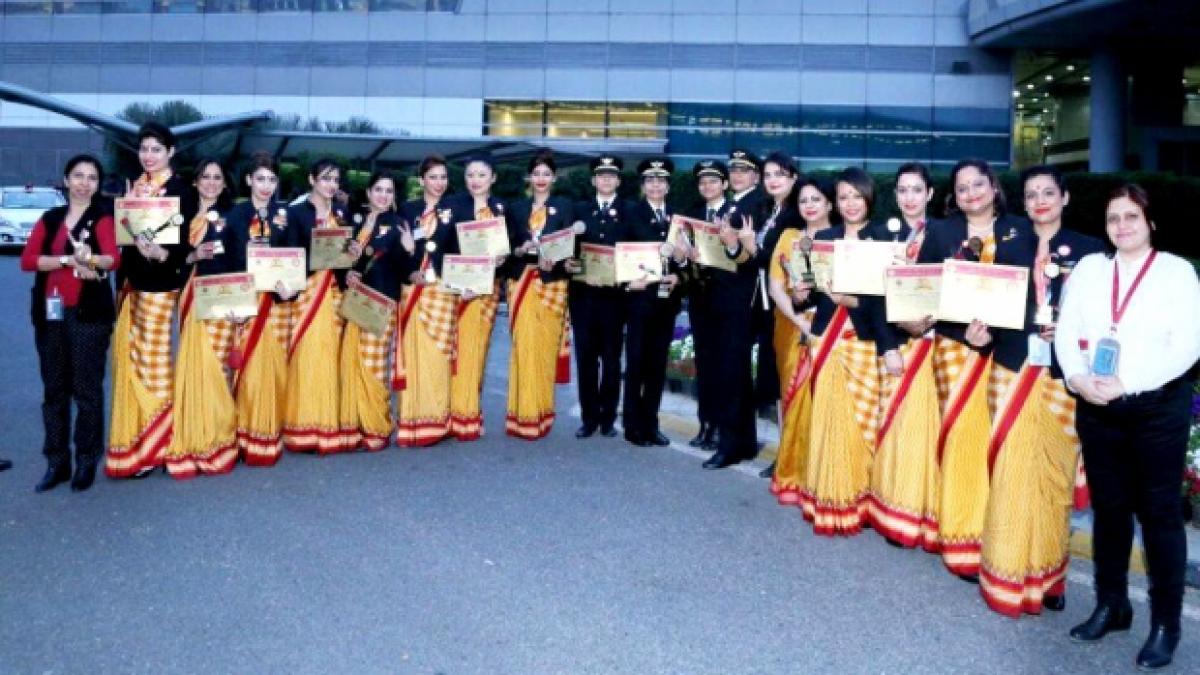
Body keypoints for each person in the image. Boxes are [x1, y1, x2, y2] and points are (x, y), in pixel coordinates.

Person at [1056, 184, 1200, 670]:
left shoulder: (1177, 272)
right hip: (1097, 404)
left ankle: (1166, 624)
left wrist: (1128, 382)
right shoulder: (1092, 269)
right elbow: (1065, 327)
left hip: (1157, 408)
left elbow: (1188, 344)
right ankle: (1112, 603)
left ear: (1151, 222)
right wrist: (1077, 377)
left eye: (1131, 217)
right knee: (1110, 512)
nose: (1121, 226)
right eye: (1114, 218)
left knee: (1159, 515)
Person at [978, 165, 1106, 617]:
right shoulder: (1006, 246)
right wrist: (978, 330)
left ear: (1064, 198)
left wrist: (1071, 332)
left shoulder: (1091, 253)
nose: (1039, 201)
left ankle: (1050, 577)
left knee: (1053, 479)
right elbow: (986, 305)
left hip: (1061, 376)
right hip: (1012, 365)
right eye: (1031, 194)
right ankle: (1006, 573)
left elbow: (1102, 316)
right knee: (1011, 474)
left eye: (1048, 192)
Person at [917, 158, 1036, 578]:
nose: (971, 194)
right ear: (955, 195)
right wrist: (915, 318)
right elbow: (923, 288)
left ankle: (998, 537)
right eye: (962, 188)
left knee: (999, 444)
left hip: (1006, 353)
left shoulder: (1021, 231)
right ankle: (960, 536)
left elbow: (1032, 293)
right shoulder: (942, 232)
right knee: (962, 441)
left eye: (978, 185)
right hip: (954, 348)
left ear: (993, 186)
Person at [798, 168, 897, 536]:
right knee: (828, 419)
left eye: (857, 196)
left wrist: (849, 300)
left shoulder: (885, 238)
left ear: (869, 197)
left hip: (863, 340)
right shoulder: (825, 237)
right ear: (835, 203)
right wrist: (800, 289)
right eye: (843, 197)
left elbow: (886, 300)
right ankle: (826, 497)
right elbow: (810, 291)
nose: (850, 204)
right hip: (826, 339)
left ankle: (858, 500)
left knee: (861, 421)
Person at [21, 154, 119, 492]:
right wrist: (65, 258)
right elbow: (28, 260)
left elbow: (111, 257)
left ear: (97, 184)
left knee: (87, 391)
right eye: (78, 175)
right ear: (66, 180)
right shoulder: (49, 219)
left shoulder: (103, 218)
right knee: (54, 391)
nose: (84, 182)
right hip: (51, 316)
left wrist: (89, 258)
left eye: (92, 177)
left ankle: (87, 460)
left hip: (89, 316)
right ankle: (57, 461)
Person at [106, 121, 190, 479]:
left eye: (157, 149)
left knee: (154, 361)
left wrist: (159, 254)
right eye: (144, 149)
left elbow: (182, 244)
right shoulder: (133, 188)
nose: (149, 156)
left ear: (170, 152)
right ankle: (138, 434)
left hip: (158, 284)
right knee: (132, 357)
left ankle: (157, 444)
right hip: (128, 283)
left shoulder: (179, 191)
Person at [867, 163, 942, 551]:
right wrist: (888, 346)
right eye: (902, 191)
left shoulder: (948, 234)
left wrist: (930, 326)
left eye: (916, 190)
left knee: (928, 432)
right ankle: (896, 511)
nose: (909, 197)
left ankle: (927, 514)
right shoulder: (881, 235)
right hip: (898, 346)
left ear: (929, 193)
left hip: (936, 344)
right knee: (897, 429)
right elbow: (872, 299)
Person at [163, 158, 238, 479]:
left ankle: (218, 438)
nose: (210, 182)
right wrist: (192, 255)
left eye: (216, 177)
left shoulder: (233, 217)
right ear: (195, 182)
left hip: (220, 300)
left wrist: (240, 304)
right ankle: (192, 434)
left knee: (218, 366)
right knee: (192, 365)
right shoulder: (178, 216)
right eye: (205, 176)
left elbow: (241, 261)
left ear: (224, 184)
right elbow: (169, 258)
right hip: (188, 296)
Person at [222, 152, 295, 466]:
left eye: (272, 179)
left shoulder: (285, 214)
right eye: (260, 178)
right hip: (247, 302)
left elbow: (295, 255)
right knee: (247, 371)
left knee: (275, 368)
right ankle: (243, 434)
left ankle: (269, 433)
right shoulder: (236, 215)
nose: (266, 185)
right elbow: (224, 261)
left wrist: (290, 286)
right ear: (249, 180)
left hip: (277, 304)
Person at [282, 158, 357, 454]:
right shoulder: (297, 213)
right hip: (308, 292)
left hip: (335, 292)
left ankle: (327, 424)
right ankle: (303, 428)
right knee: (308, 355)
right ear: (312, 179)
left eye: (335, 180)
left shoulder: (341, 212)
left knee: (330, 357)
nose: (331, 185)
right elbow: (290, 254)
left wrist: (351, 255)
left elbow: (345, 258)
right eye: (325, 178)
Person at [338, 170, 413, 451]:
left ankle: (376, 427)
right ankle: (354, 423)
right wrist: (348, 273)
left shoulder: (398, 225)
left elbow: (406, 271)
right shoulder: (353, 222)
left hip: (381, 301)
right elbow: (339, 259)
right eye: (378, 190)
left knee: (373, 365)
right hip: (351, 300)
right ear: (368, 192)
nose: (383, 195)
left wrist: (408, 250)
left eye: (389, 191)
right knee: (351, 362)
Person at [768, 177, 832, 505]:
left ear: (830, 204)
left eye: (816, 199)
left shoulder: (842, 240)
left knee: (827, 401)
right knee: (792, 396)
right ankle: (792, 469)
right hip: (792, 329)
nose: (809, 206)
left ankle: (823, 474)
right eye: (804, 200)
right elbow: (776, 286)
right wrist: (797, 320)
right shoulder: (789, 237)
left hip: (832, 330)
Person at [502, 150, 574, 440]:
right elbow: (505, 248)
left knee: (544, 350)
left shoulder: (566, 207)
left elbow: (571, 247)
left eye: (546, 174)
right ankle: (521, 416)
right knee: (524, 348)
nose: (541, 179)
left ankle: (541, 414)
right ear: (529, 178)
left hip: (552, 284)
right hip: (521, 282)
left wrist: (556, 260)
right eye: (536, 174)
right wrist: (519, 251)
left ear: (554, 178)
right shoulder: (516, 209)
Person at [396, 155, 459, 447]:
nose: (438, 183)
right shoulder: (407, 210)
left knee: (438, 354)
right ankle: (413, 422)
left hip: (443, 291)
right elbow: (399, 252)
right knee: (415, 355)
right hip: (414, 291)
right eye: (432, 177)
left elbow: (464, 251)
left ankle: (438, 420)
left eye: (443, 177)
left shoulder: (457, 208)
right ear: (421, 180)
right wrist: (409, 265)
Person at [622, 157, 684, 447]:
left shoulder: (677, 217)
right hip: (639, 299)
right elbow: (617, 254)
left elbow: (684, 256)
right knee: (636, 363)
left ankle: (651, 423)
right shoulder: (630, 213)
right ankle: (633, 425)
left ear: (668, 186)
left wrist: (680, 277)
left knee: (658, 366)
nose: (656, 185)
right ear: (643, 186)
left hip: (666, 301)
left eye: (661, 180)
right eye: (650, 180)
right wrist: (625, 282)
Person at [446, 154, 508, 441]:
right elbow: (441, 247)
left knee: (478, 351)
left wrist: (503, 257)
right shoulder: (452, 206)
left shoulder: (501, 209)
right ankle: (452, 413)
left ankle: (469, 413)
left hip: (486, 290)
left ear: (492, 178)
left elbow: (512, 249)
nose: (475, 180)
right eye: (470, 174)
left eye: (482, 175)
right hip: (458, 290)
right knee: (457, 352)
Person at [569, 155, 628, 439]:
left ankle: (608, 418)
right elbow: (569, 252)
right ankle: (589, 418)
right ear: (593, 180)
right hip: (584, 296)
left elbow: (637, 252)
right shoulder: (578, 210)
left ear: (618, 180)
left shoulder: (630, 211)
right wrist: (577, 269)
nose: (606, 180)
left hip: (615, 298)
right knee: (586, 359)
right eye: (601, 175)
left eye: (611, 175)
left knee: (612, 360)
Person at [682, 160, 728, 451]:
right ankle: (705, 424)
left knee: (725, 367)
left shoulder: (735, 215)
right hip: (700, 299)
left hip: (726, 300)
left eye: (713, 181)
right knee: (705, 365)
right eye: (702, 182)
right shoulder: (693, 216)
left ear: (724, 184)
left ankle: (722, 427)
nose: (707, 186)